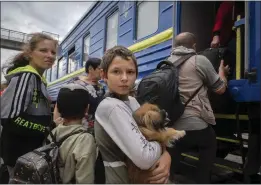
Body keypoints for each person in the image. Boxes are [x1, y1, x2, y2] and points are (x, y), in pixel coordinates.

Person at [94, 45, 171, 184]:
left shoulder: (132, 101)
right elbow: (144, 158)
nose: (124, 78)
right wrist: (163, 148)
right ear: (103, 75)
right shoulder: (110, 107)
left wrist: (166, 155)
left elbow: (152, 132)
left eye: (130, 72)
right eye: (116, 72)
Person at [168, 32, 230, 183]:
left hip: (171, 125)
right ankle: (203, 179)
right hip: (195, 125)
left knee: (172, 158)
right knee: (209, 142)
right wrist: (222, 73)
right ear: (194, 46)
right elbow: (220, 89)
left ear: (175, 46)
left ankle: (169, 178)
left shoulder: (166, 63)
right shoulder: (199, 60)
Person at [0, 33, 57, 179]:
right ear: (30, 53)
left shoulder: (39, 79)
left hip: (29, 153)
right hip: (19, 154)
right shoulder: (27, 77)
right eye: (43, 50)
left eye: (53, 52)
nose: (50, 55)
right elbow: (10, 118)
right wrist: (43, 128)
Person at [48, 83, 96, 184]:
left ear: (58, 108)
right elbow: (84, 179)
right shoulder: (85, 139)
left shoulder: (52, 133)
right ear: (87, 108)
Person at [53, 57, 105, 134]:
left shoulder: (101, 87)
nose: (102, 71)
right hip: (78, 129)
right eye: (100, 69)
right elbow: (60, 104)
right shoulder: (76, 83)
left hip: (96, 129)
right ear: (90, 69)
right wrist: (57, 125)